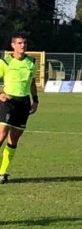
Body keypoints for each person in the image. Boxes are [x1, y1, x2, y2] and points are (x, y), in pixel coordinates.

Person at [0, 33, 39, 184]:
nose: (23, 45)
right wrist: (0, 94)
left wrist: (35, 100)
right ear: (13, 45)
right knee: (2, 134)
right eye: (20, 43)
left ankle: (2, 172)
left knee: (14, 137)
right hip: (7, 101)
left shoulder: (31, 62)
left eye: (25, 43)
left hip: (23, 104)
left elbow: (32, 82)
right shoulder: (5, 61)